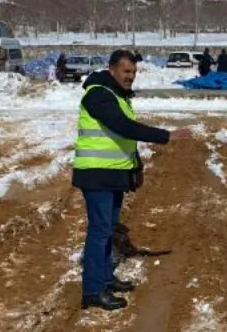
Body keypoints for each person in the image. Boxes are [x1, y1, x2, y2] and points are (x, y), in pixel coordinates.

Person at [72, 49, 190, 311]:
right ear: (112, 69)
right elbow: (123, 127)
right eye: (126, 72)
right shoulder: (99, 95)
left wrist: (136, 167)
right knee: (100, 232)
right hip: (96, 174)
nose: (130, 77)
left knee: (109, 229)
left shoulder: (117, 95)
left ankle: (104, 277)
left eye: (134, 72)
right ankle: (92, 290)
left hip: (112, 173)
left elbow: (122, 139)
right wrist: (165, 135)